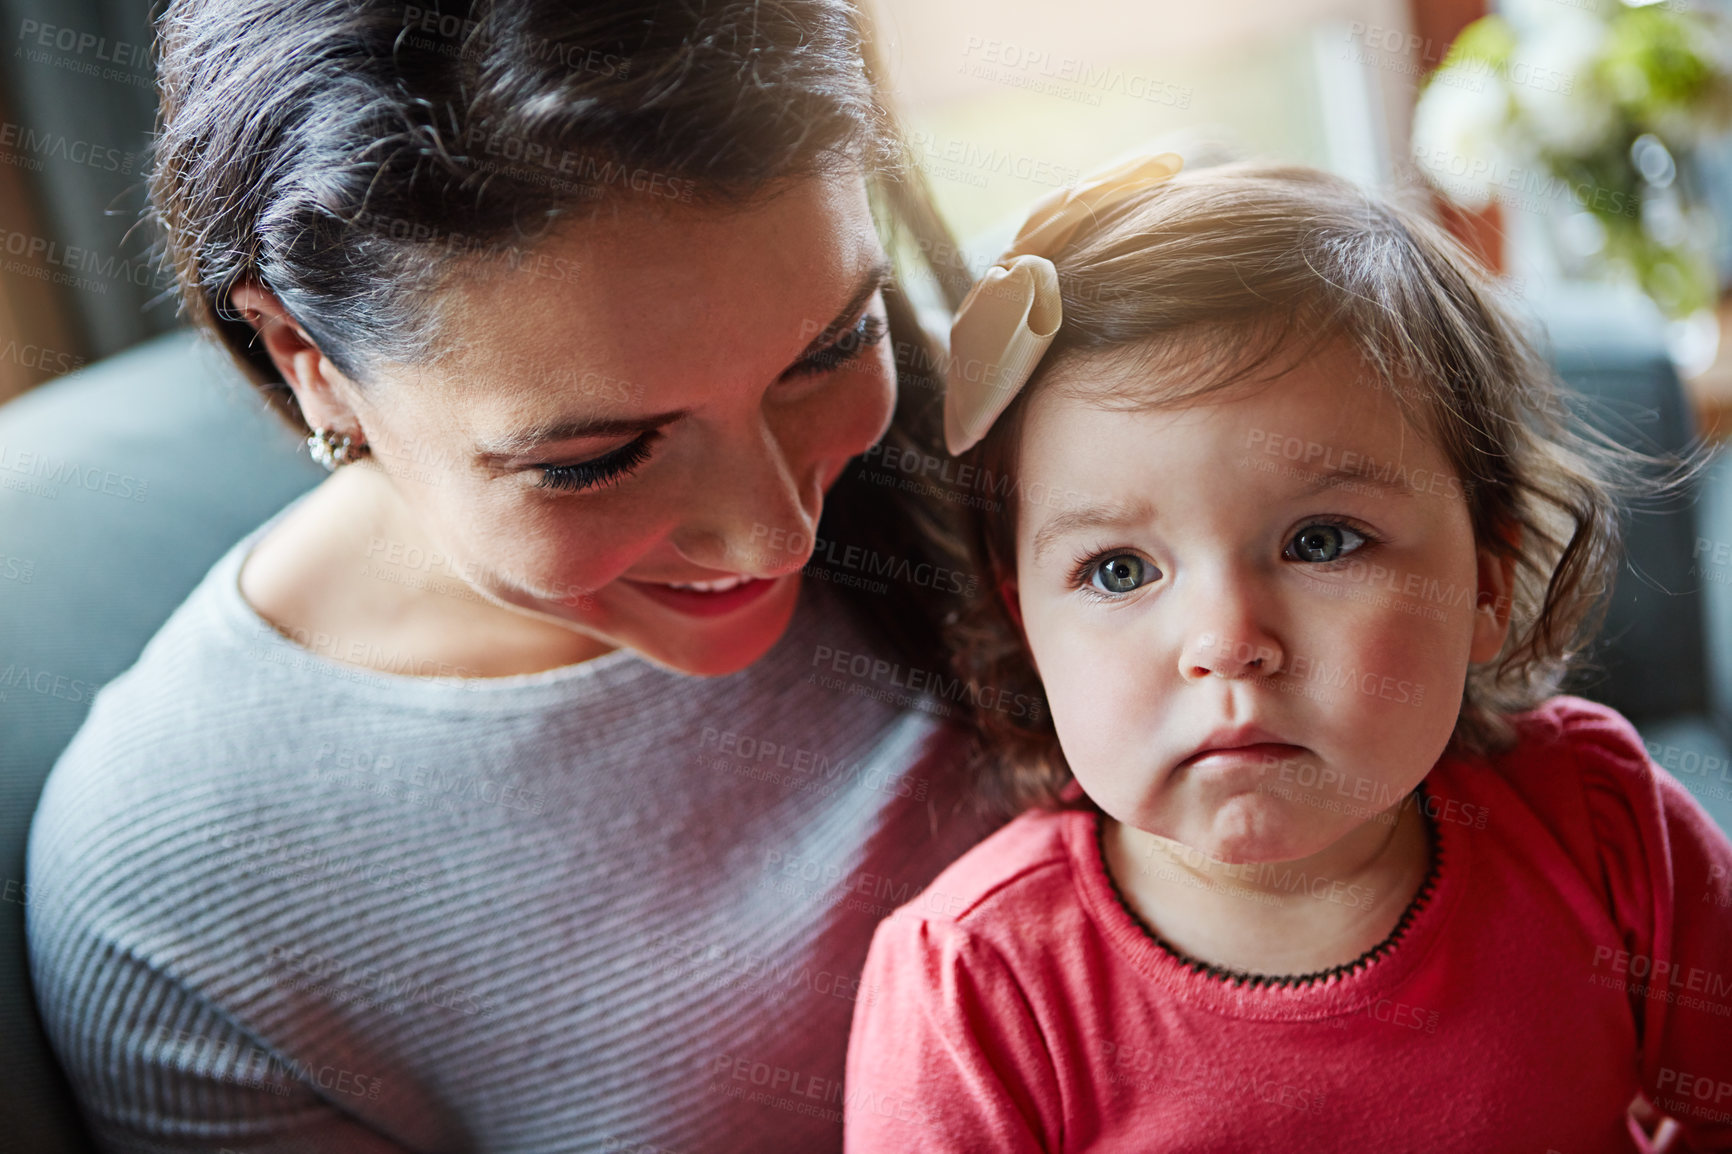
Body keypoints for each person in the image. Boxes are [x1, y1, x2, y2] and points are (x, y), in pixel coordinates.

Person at [25, 2, 997, 1151]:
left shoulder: (1052, 443)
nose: (777, 536)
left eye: (830, 348)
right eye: (597, 459)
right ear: (309, 362)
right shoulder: (184, 891)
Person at [843, 155, 1732, 1151]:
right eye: (1119, 571)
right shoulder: (970, 988)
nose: (1227, 643)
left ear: (1487, 579)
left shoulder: (1603, 827)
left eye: (1320, 541)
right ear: (1026, 626)